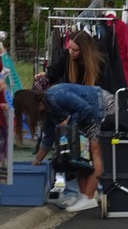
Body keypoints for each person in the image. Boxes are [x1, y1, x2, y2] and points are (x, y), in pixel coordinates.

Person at [23, 84, 114, 212]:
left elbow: (85, 108)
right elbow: (48, 137)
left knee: (95, 150)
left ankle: (88, 197)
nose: (27, 115)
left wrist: (70, 123)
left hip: (101, 107)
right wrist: (36, 161)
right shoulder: (47, 110)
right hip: (86, 117)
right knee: (78, 154)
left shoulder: (57, 95)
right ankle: (84, 195)